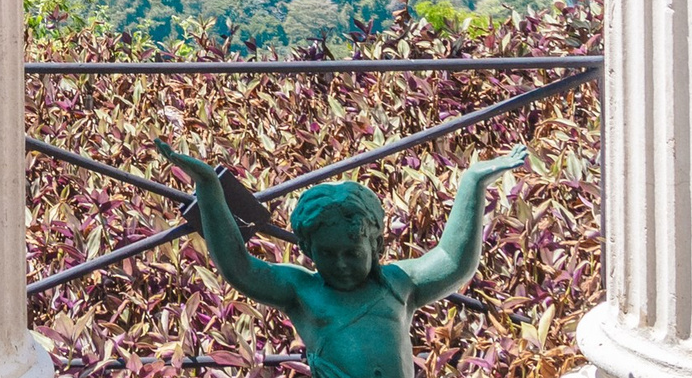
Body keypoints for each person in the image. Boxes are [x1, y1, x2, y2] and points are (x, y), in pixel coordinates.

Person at [155, 143, 527, 378]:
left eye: (352, 252)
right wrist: (209, 188)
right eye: (327, 254)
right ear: (306, 249)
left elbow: (451, 259)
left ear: (376, 244)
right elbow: (240, 266)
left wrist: (473, 182)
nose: (342, 264)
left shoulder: (399, 283)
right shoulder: (302, 290)